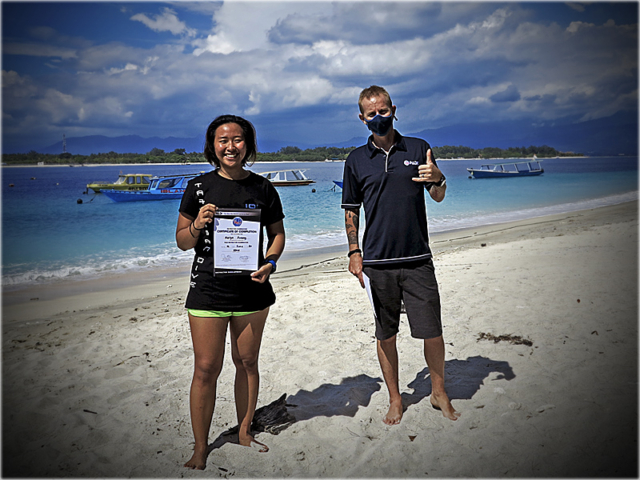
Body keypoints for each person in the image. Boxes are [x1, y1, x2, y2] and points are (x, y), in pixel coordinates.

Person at [341, 85, 459, 426]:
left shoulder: (419, 148)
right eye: (371, 114)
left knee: (432, 330)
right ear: (362, 118)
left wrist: (439, 179)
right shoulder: (356, 160)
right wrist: (354, 252)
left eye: (384, 111)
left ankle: (438, 391)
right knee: (385, 333)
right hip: (377, 263)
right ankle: (395, 398)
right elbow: (351, 210)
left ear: (394, 109)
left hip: (417, 257)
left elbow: (437, 195)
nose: (378, 118)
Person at [176, 115, 285, 469]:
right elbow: (182, 242)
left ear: (248, 145)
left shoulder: (264, 188)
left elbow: (278, 234)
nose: (230, 146)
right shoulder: (198, 188)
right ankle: (199, 446)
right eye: (223, 140)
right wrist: (197, 224)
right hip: (208, 290)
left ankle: (243, 432)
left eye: (238, 140)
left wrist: (270, 262)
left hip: (252, 291)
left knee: (247, 362)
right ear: (213, 146)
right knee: (206, 368)